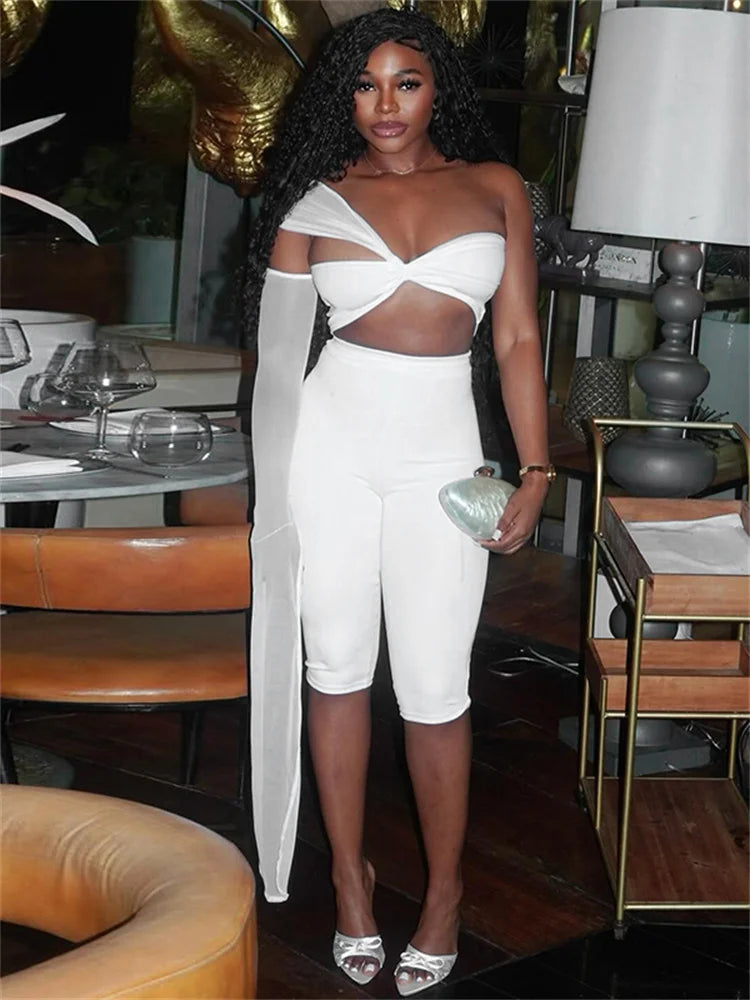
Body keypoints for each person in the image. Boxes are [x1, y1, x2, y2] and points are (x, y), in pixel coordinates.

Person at [245, 7, 552, 995]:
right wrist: (270, 500)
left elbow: (516, 339)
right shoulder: (313, 201)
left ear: (435, 90)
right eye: (365, 83)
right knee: (335, 670)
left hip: (441, 454)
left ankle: (445, 895)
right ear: (343, 97)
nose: (385, 103)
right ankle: (350, 882)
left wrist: (536, 469)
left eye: (406, 81)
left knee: (434, 686)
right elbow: (278, 367)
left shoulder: (495, 187)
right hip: (327, 450)